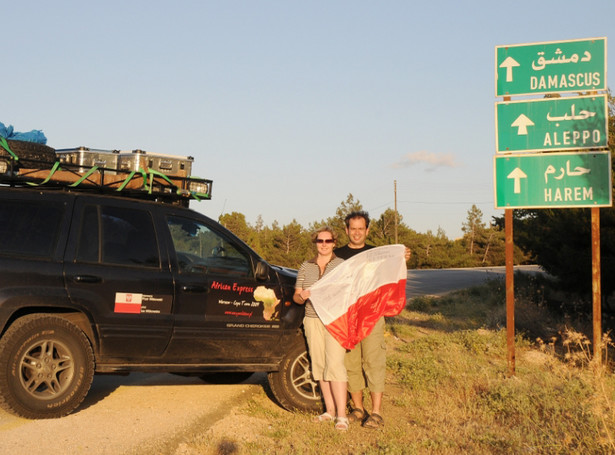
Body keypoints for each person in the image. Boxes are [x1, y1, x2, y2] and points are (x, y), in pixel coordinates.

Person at [334, 210, 410, 429]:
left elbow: (393, 272)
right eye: (353, 229)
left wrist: (401, 257)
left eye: (361, 229)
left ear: (367, 230)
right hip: (347, 317)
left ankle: (376, 412)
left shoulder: (378, 254)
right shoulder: (337, 256)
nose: (357, 233)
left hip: (373, 316)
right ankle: (358, 408)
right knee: (351, 363)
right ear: (346, 230)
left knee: (374, 361)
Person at [294, 226, 349, 431]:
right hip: (312, 320)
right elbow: (296, 296)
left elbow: (348, 293)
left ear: (334, 243)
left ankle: (342, 416)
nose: (324, 245)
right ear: (315, 243)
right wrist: (302, 296)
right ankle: (330, 411)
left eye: (328, 241)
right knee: (319, 366)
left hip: (334, 320)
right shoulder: (305, 266)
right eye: (320, 241)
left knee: (335, 366)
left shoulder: (342, 265)